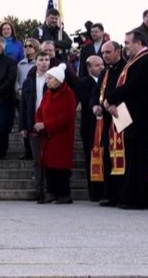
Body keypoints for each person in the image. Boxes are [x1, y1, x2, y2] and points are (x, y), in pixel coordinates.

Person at [103, 31, 148, 209]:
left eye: (127, 43)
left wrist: (111, 97)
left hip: (142, 117)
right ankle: (129, 195)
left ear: (138, 42)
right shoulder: (138, 60)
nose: (125, 46)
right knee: (132, 155)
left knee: (139, 157)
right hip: (130, 115)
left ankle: (139, 198)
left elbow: (135, 86)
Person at [34, 64, 76, 204]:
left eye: (50, 78)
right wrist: (39, 123)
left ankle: (64, 194)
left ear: (58, 80)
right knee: (49, 164)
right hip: (47, 135)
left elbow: (66, 117)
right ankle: (51, 192)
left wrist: (47, 125)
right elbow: (39, 112)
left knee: (60, 165)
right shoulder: (47, 95)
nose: (47, 81)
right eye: (47, 78)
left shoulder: (68, 94)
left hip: (61, 136)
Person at [93, 42, 125, 206]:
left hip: (122, 116)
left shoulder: (126, 68)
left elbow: (127, 90)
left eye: (108, 52)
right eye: (103, 52)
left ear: (118, 52)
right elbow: (97, 92)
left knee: (123, 155)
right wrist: (96, 105)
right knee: (108, 156)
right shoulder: (104, 71)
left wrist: (113, 103)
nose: (104, 55)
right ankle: (110, 194)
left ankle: (121, 194)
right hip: (106, 118)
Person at [77, 55, 104, 201]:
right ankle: (94, 192)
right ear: (89, 68)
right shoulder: (82, 83)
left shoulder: (106, 79)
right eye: (97, 65)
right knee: (91, 158)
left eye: (101, 64)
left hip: (105, 125)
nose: (101, 67)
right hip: (90, 126)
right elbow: (87, 101)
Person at [19, 52, 51, 171]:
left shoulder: (54, 79)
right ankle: (39, 187)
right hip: (33, 119)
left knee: (50, 156)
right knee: (37, 158)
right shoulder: (28, 81)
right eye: (41, 60)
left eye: (46, 60)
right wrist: (22, 126)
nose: (44, 62)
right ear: (36, 62)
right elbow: (23, 105)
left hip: (49, 120)